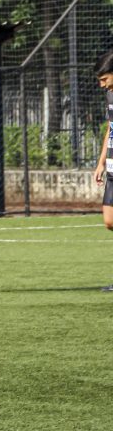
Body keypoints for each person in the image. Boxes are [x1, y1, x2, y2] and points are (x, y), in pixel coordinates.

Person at [91, 50, 113, 291]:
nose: (102, 84)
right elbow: (111, 128)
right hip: (112, 168)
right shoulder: (109, 95)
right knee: (109, 221)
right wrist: (101, 162)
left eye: (104, 79)